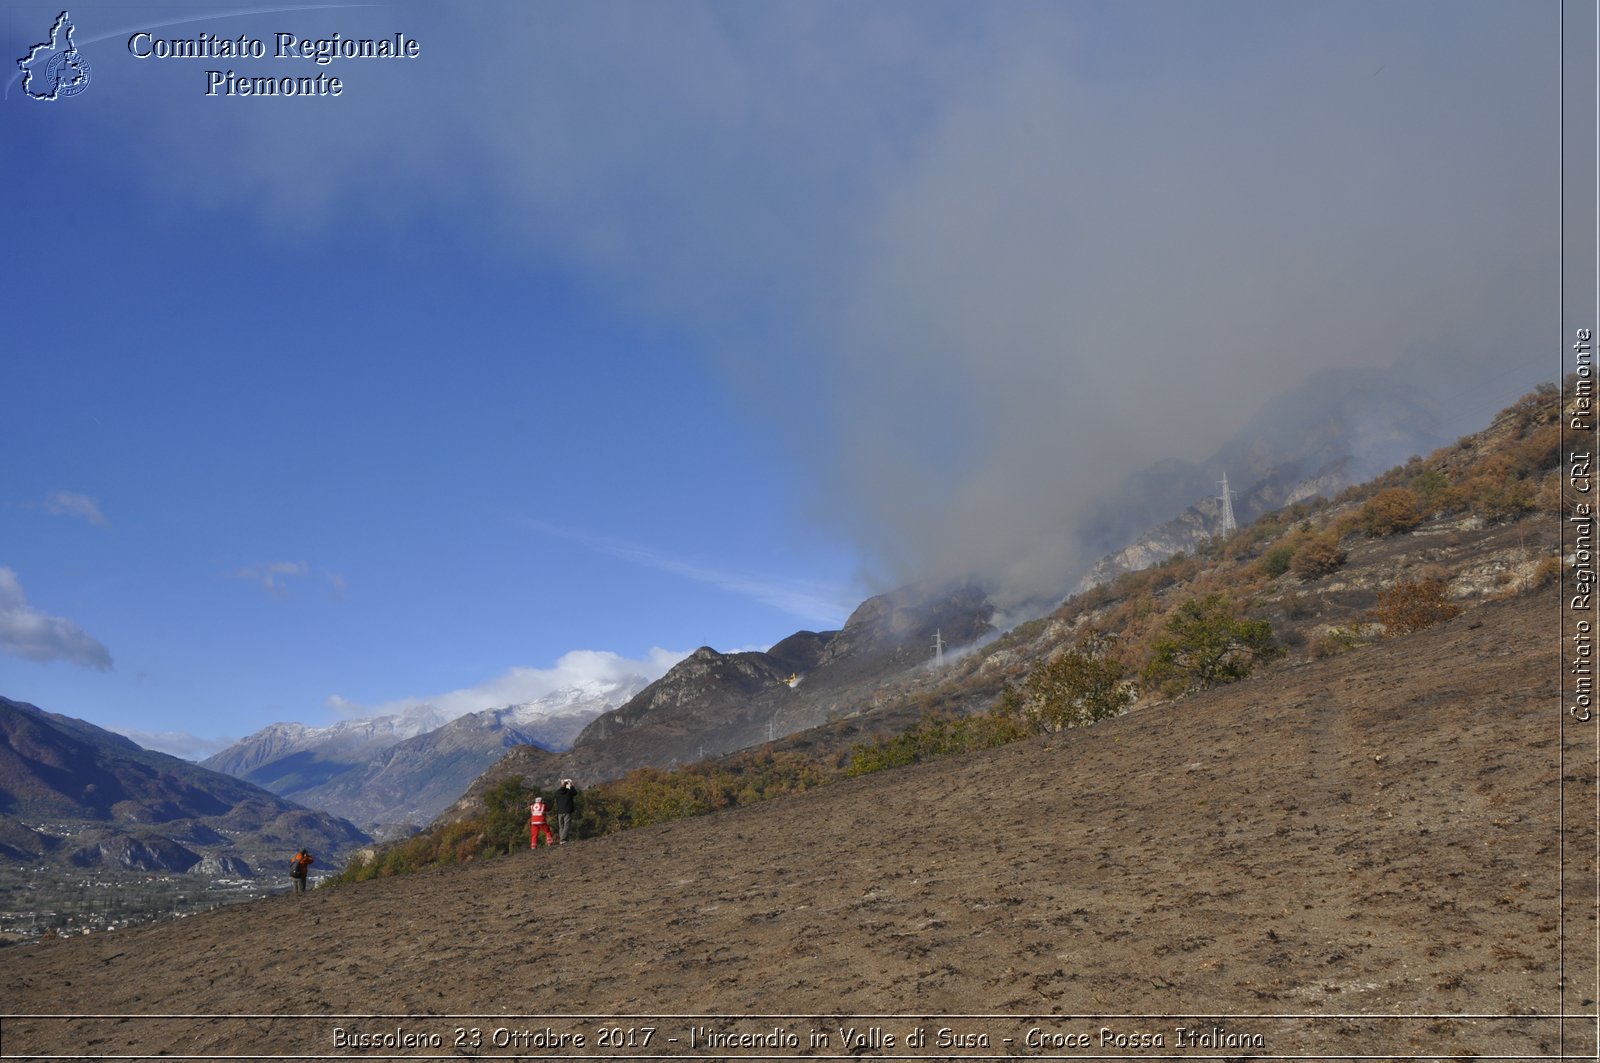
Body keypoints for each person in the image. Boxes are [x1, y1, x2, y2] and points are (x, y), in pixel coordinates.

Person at [554, 778, 578, 844]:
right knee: (567, 825)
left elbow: (556, 794)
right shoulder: (569, 791)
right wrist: (570, 785)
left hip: (560, 811)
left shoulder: (557, 792)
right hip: (567, 811)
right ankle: (563, 839)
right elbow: (575, 793)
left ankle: (563, 840)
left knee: (561, 826)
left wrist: (563, 784)